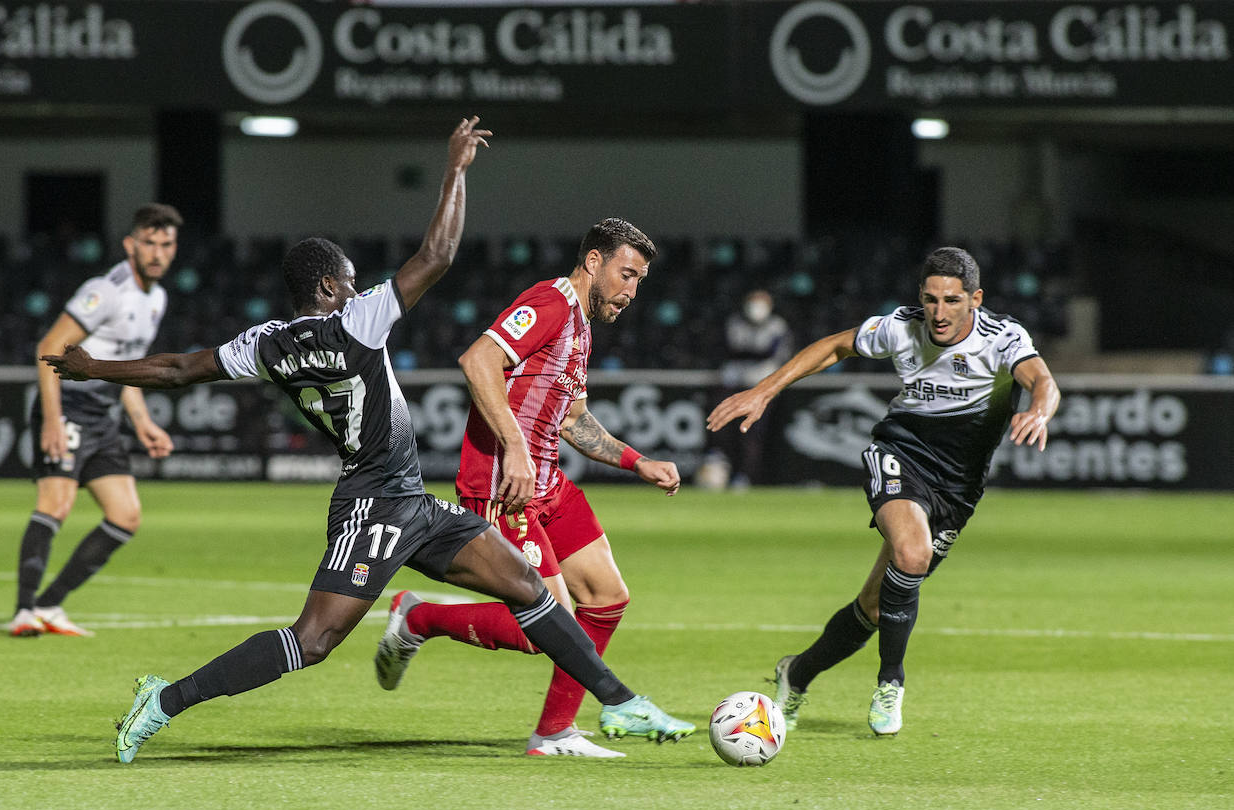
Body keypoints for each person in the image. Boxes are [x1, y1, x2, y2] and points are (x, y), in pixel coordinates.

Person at [42, 119, 694, 763]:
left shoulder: (264, 345)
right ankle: (165, 700)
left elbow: (179, 369)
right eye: (351, 279)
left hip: (410, 499)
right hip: (372, 505)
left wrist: (95, 366)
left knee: (527, 586)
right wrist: (454, 173)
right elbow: (435, 257)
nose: (360, 287)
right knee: (314, 640)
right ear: (330, 288)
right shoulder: (355, 321)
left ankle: (619, 701)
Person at [707, 247, 1060, 736]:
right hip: (900, 454)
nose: (939, 312)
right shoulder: (901, 326)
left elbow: (1042, 380)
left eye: (952, 301)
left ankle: (797, 673)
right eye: (931, 299)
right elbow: (834, 346)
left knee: (876, 606)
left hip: (958, 488)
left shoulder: (1003, 338)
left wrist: (1039, 409)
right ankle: (890, 681)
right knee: (911, 554)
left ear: (975, 300)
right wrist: (765, 390)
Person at [371, 218, 686, 759]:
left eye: (639, 282)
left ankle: (554, 733)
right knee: (540, 625)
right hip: (502, 484)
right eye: (627, 275)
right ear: (593, 262)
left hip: (548, 482)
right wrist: (515, 447)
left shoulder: (582, 327)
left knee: (607, 598)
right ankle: (418, 616)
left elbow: (573, 420)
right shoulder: (549, 303)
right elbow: (478, 360)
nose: (632, 292)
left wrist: (637, 462)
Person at [9, 203, 183, 637]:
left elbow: (125, 369)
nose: (158, 253)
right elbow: (49, 346)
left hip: (101, 416)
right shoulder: (106, 291)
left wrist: (142, 422)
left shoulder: (157, 298)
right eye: (149, 243)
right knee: (56, 504)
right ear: (131, 245)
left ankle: (50, 606)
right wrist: (52, 420)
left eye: (166, 244)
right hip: (66, 406)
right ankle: (23, 611)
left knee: (126, 515)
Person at [714, 288, 793, 488]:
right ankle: (726, 470)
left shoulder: (777, 326)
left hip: (762, 387)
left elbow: (771, 353)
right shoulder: (735, 323)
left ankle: (747, 476)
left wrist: (747, 353)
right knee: (727, 433)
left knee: (753, 435)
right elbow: (729, 350)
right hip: (735, 384)